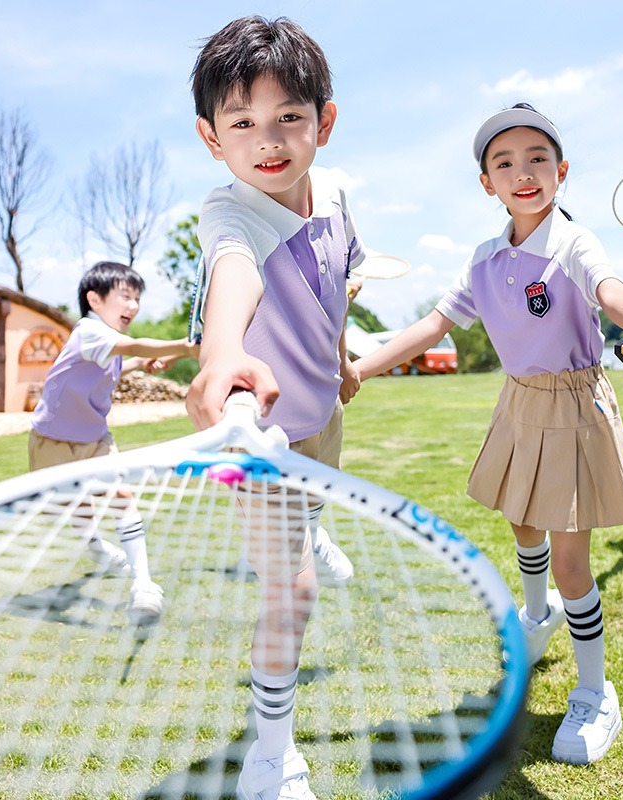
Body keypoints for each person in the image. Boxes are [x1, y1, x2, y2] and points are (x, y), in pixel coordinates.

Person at [350, 104, 623, 765]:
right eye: (505, 163)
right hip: (519, 404)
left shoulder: (574, 244)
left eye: (537, 159)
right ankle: (536, 614)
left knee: (572, 561)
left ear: (562, 172)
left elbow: (611, 293)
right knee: (524, 525)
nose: (522, 173)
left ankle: (592, 692)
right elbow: (433, 326)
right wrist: (360, 368)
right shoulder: (484, 259)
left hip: (575, 405)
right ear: (485, 182)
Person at [187, 16, 365, 800]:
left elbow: (335, 285)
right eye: (242, 122)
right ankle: (272, 755)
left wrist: (337, 360)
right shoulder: (231, 216)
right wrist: (223, 353)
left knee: (313, 509)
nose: (268, 140)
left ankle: (312, 532)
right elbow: (234, 275)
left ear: (324, 121)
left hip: (322, 415)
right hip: (260, 438)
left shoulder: (336, 194)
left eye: (289, 117)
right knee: (288, 590)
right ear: (210, 137)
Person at [29, 261, 199, 623]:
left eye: (137, 298)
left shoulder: (103, 341)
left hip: (95, 440)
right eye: (125, 296)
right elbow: (133, 345)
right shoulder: (89, 331)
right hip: (51, 442)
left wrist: (147, 364)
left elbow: (123, 359)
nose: (133, 306)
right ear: (94, 299)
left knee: (122, 497)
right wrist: (185, 348)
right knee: (77, 515)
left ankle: (144, 584)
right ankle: (98, 550)